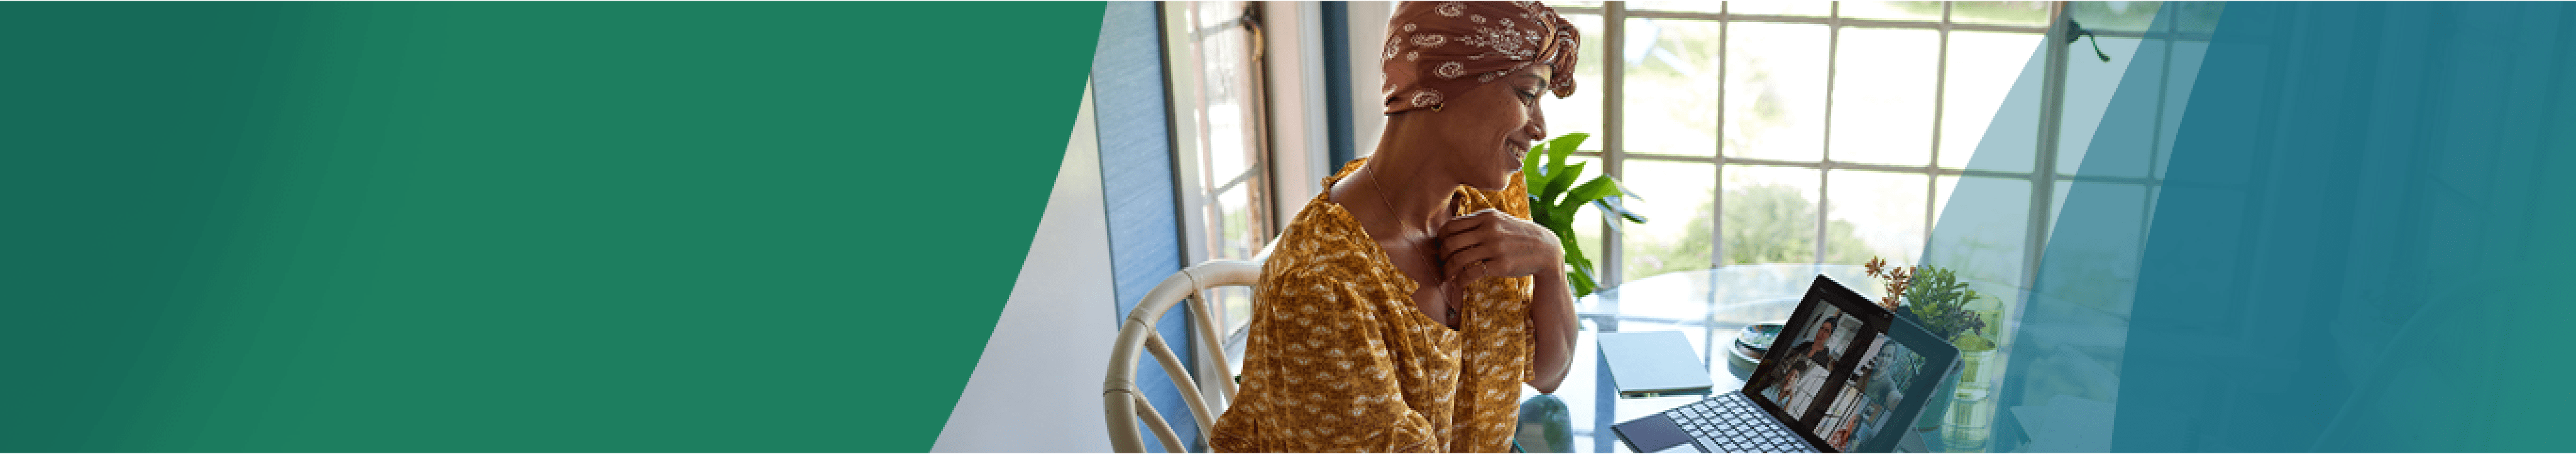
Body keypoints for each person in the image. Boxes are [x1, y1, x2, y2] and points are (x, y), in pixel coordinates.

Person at [1208, 2, 1581, 452]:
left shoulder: (1487, 201)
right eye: (1527, 94)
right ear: (1443, 83)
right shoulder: (1322, 286)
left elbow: (1548, 373)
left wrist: (1550, 260)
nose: (1539, 128)